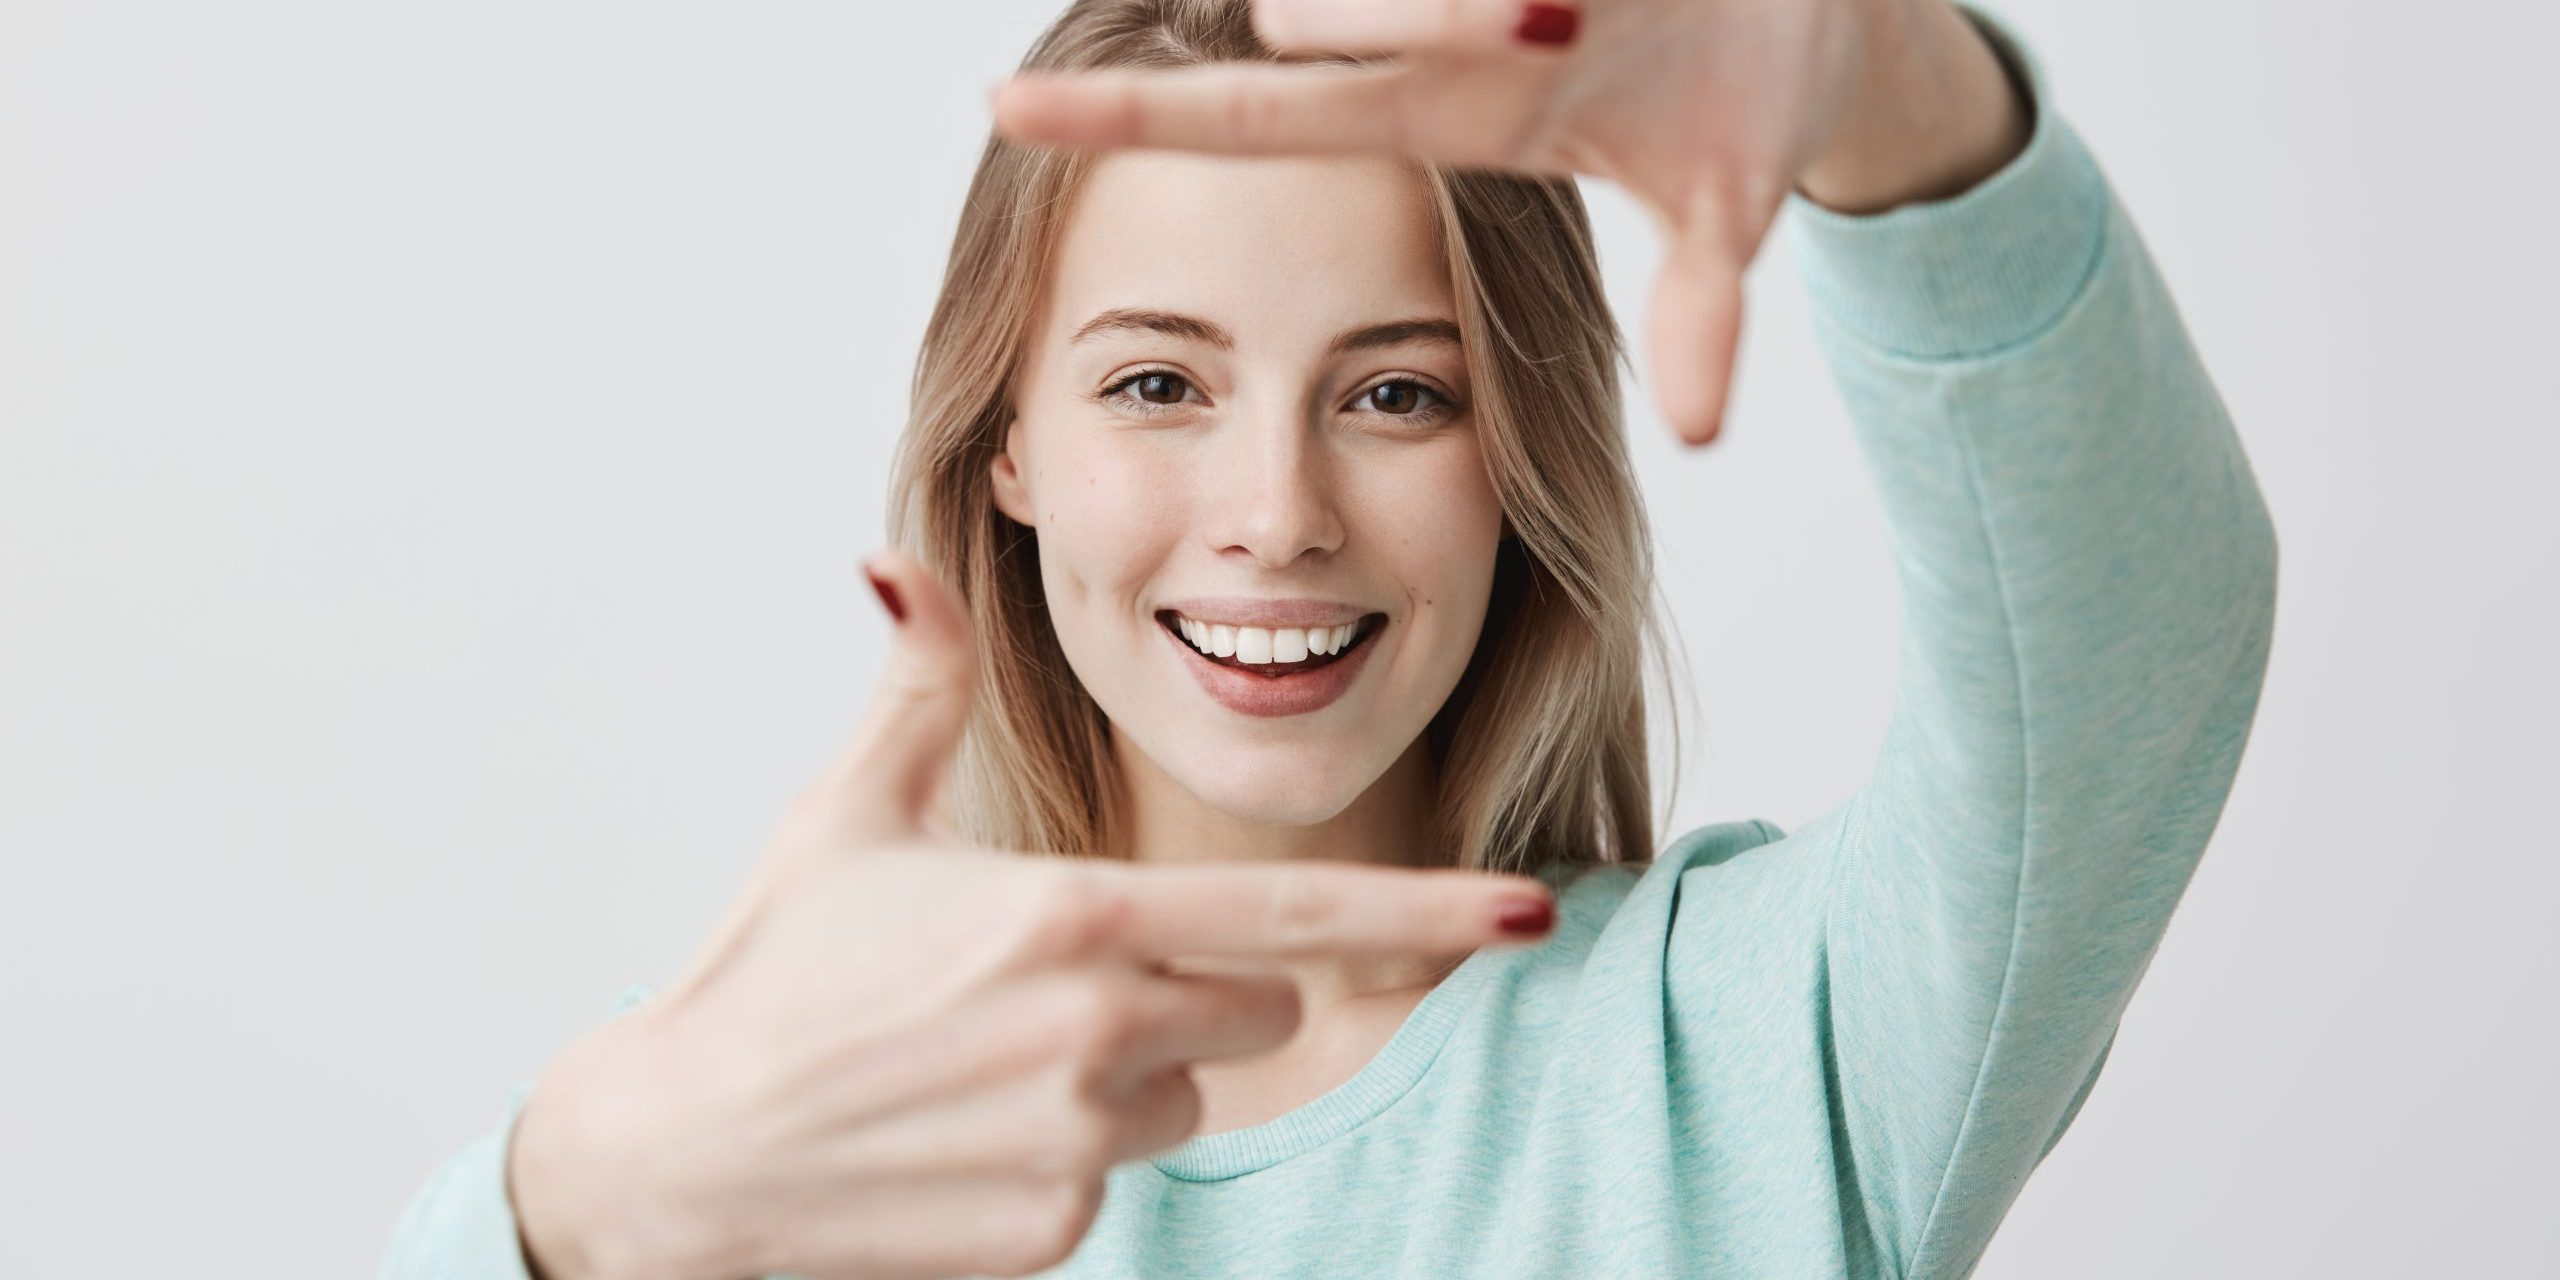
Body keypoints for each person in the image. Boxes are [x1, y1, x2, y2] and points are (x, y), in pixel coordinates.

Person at [379, 0, 2278, 1275]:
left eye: (1396, 396)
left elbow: (2136, 636)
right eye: (1155, 384)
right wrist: (559, 1209)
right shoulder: (785, 1102)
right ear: (1009, 444)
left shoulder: (1766, 1045)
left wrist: (1886, 84)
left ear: (1516, 452)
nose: (1276, 511)